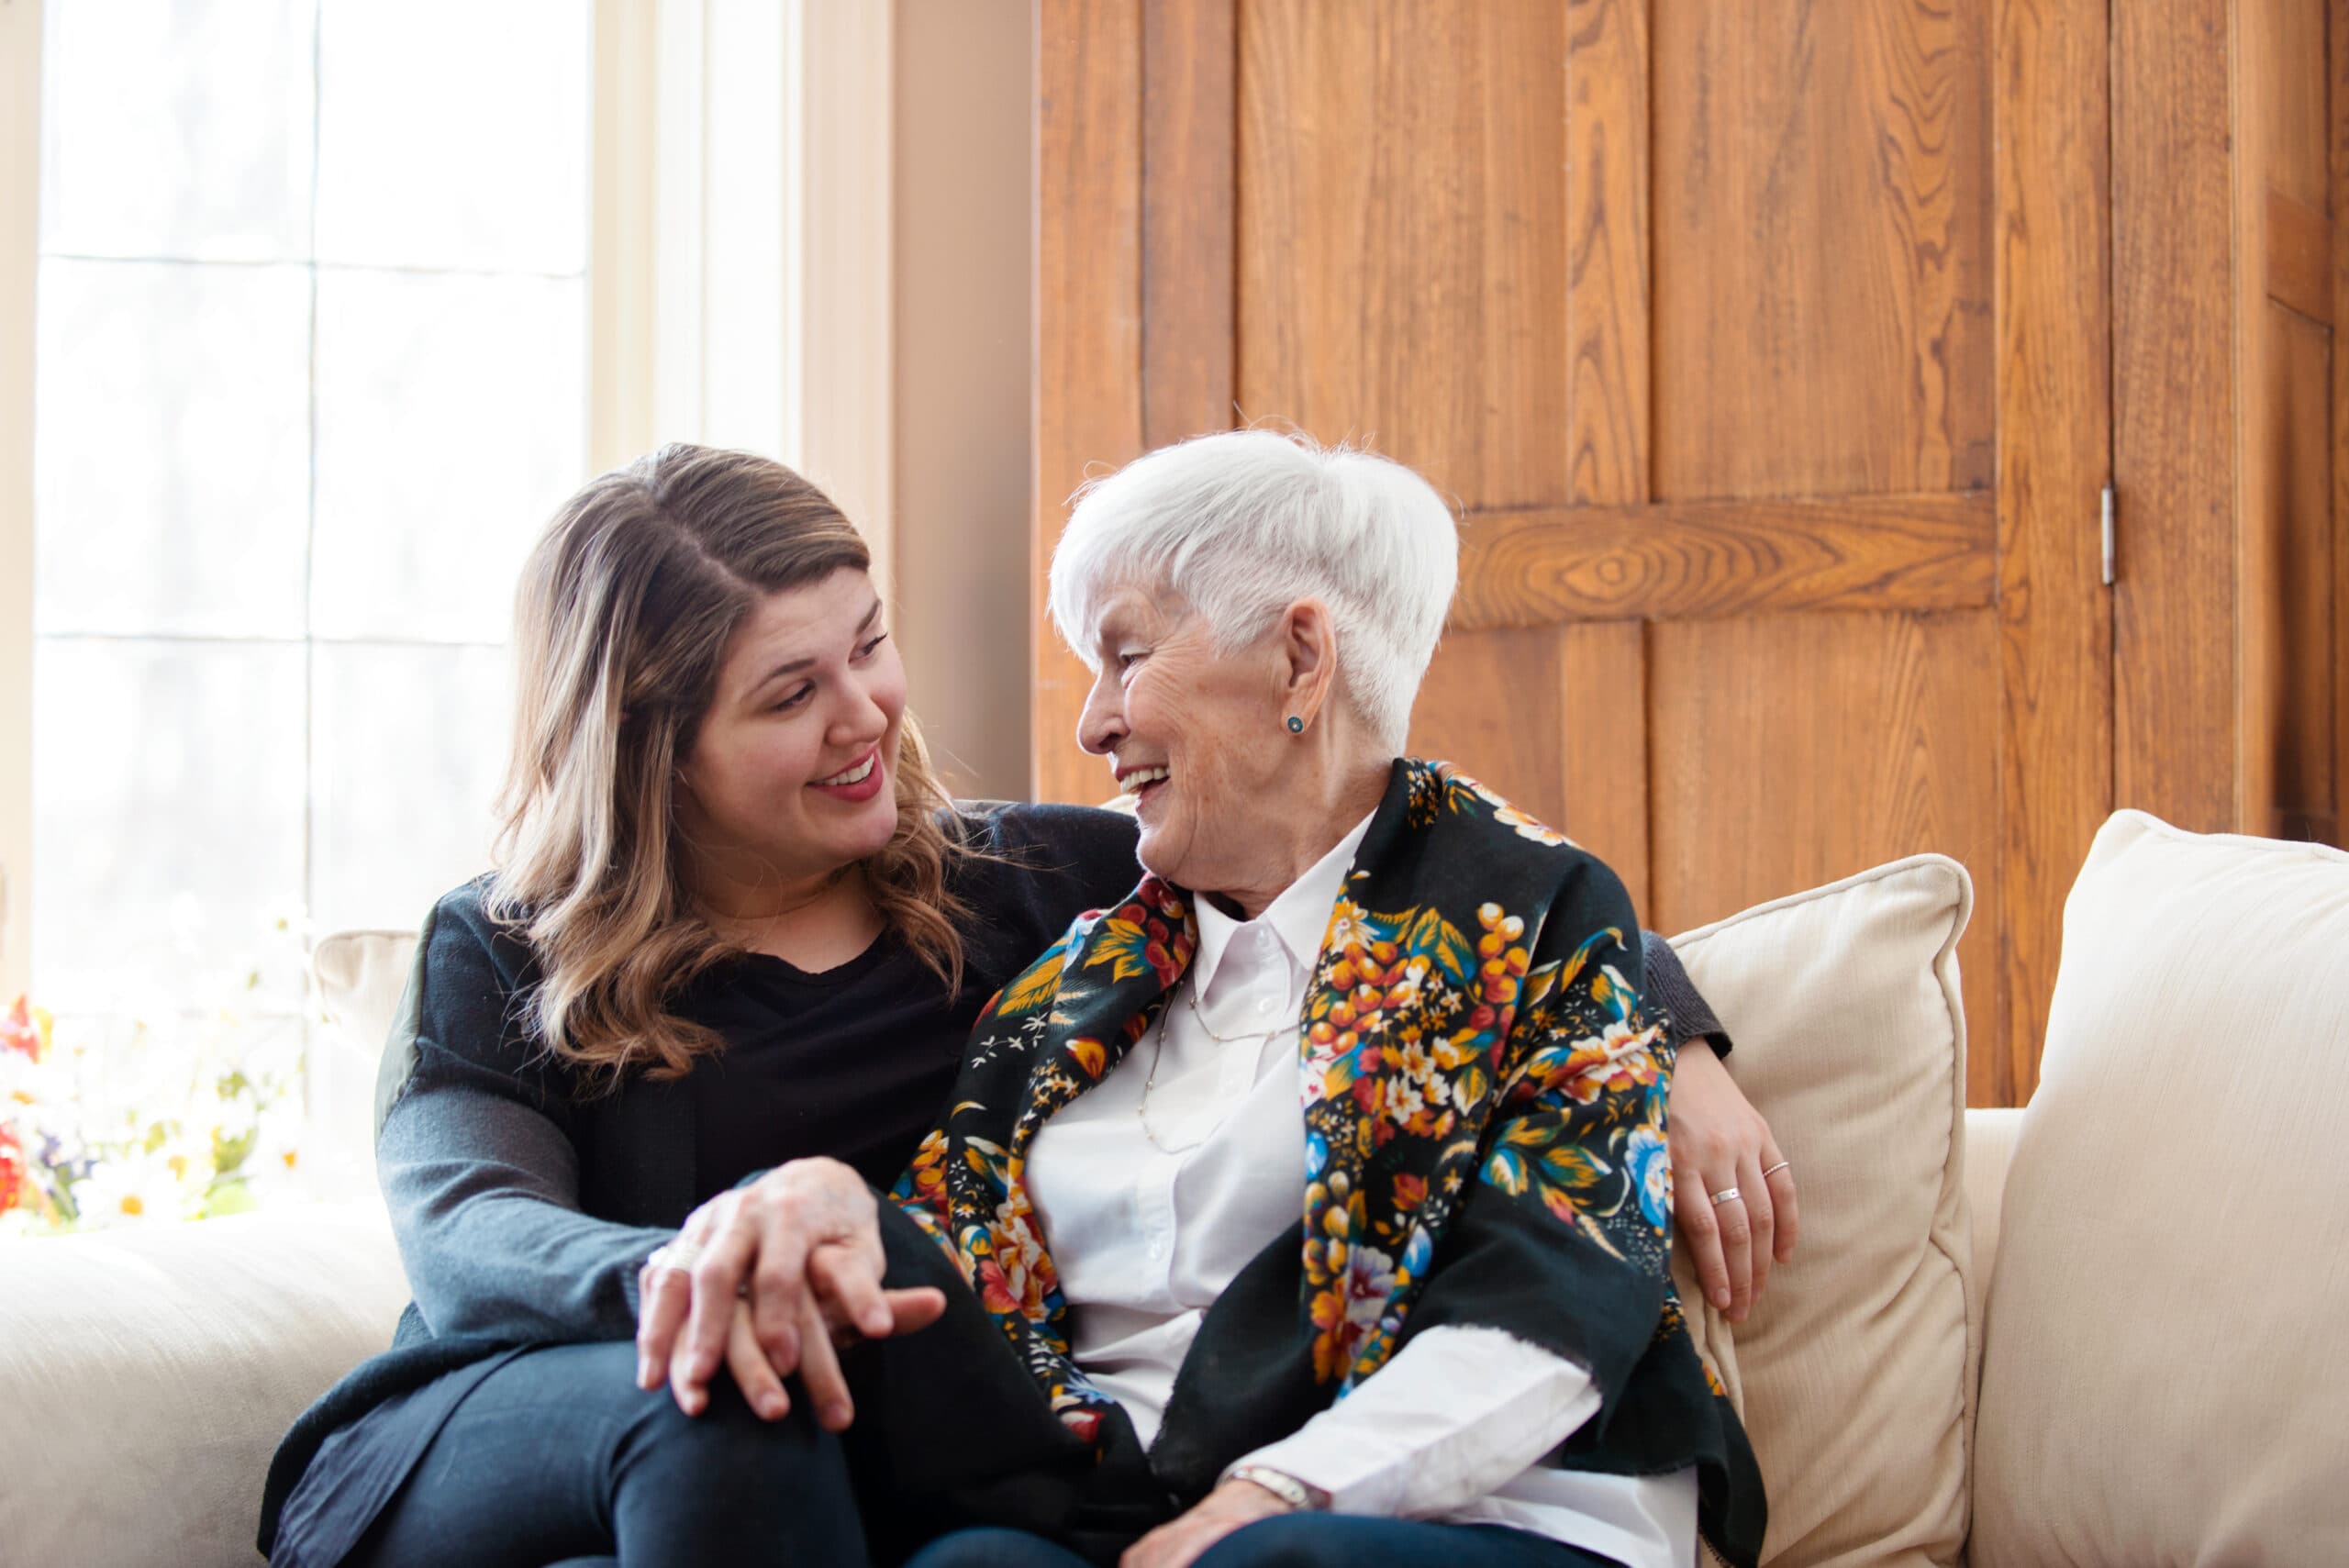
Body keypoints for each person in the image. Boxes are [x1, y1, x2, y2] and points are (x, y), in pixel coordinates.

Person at [259, 440, 1786, 1568]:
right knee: (736, 1380)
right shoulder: (506, 940)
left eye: (867, 646)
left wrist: (1672, 1026)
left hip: (830, 1461)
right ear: (652, 746)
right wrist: (728, 1265)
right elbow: (470, 1236)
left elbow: (1381, 839)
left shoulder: (1019, 888)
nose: (865, 714)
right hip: (515, 1406)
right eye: (790, 694)